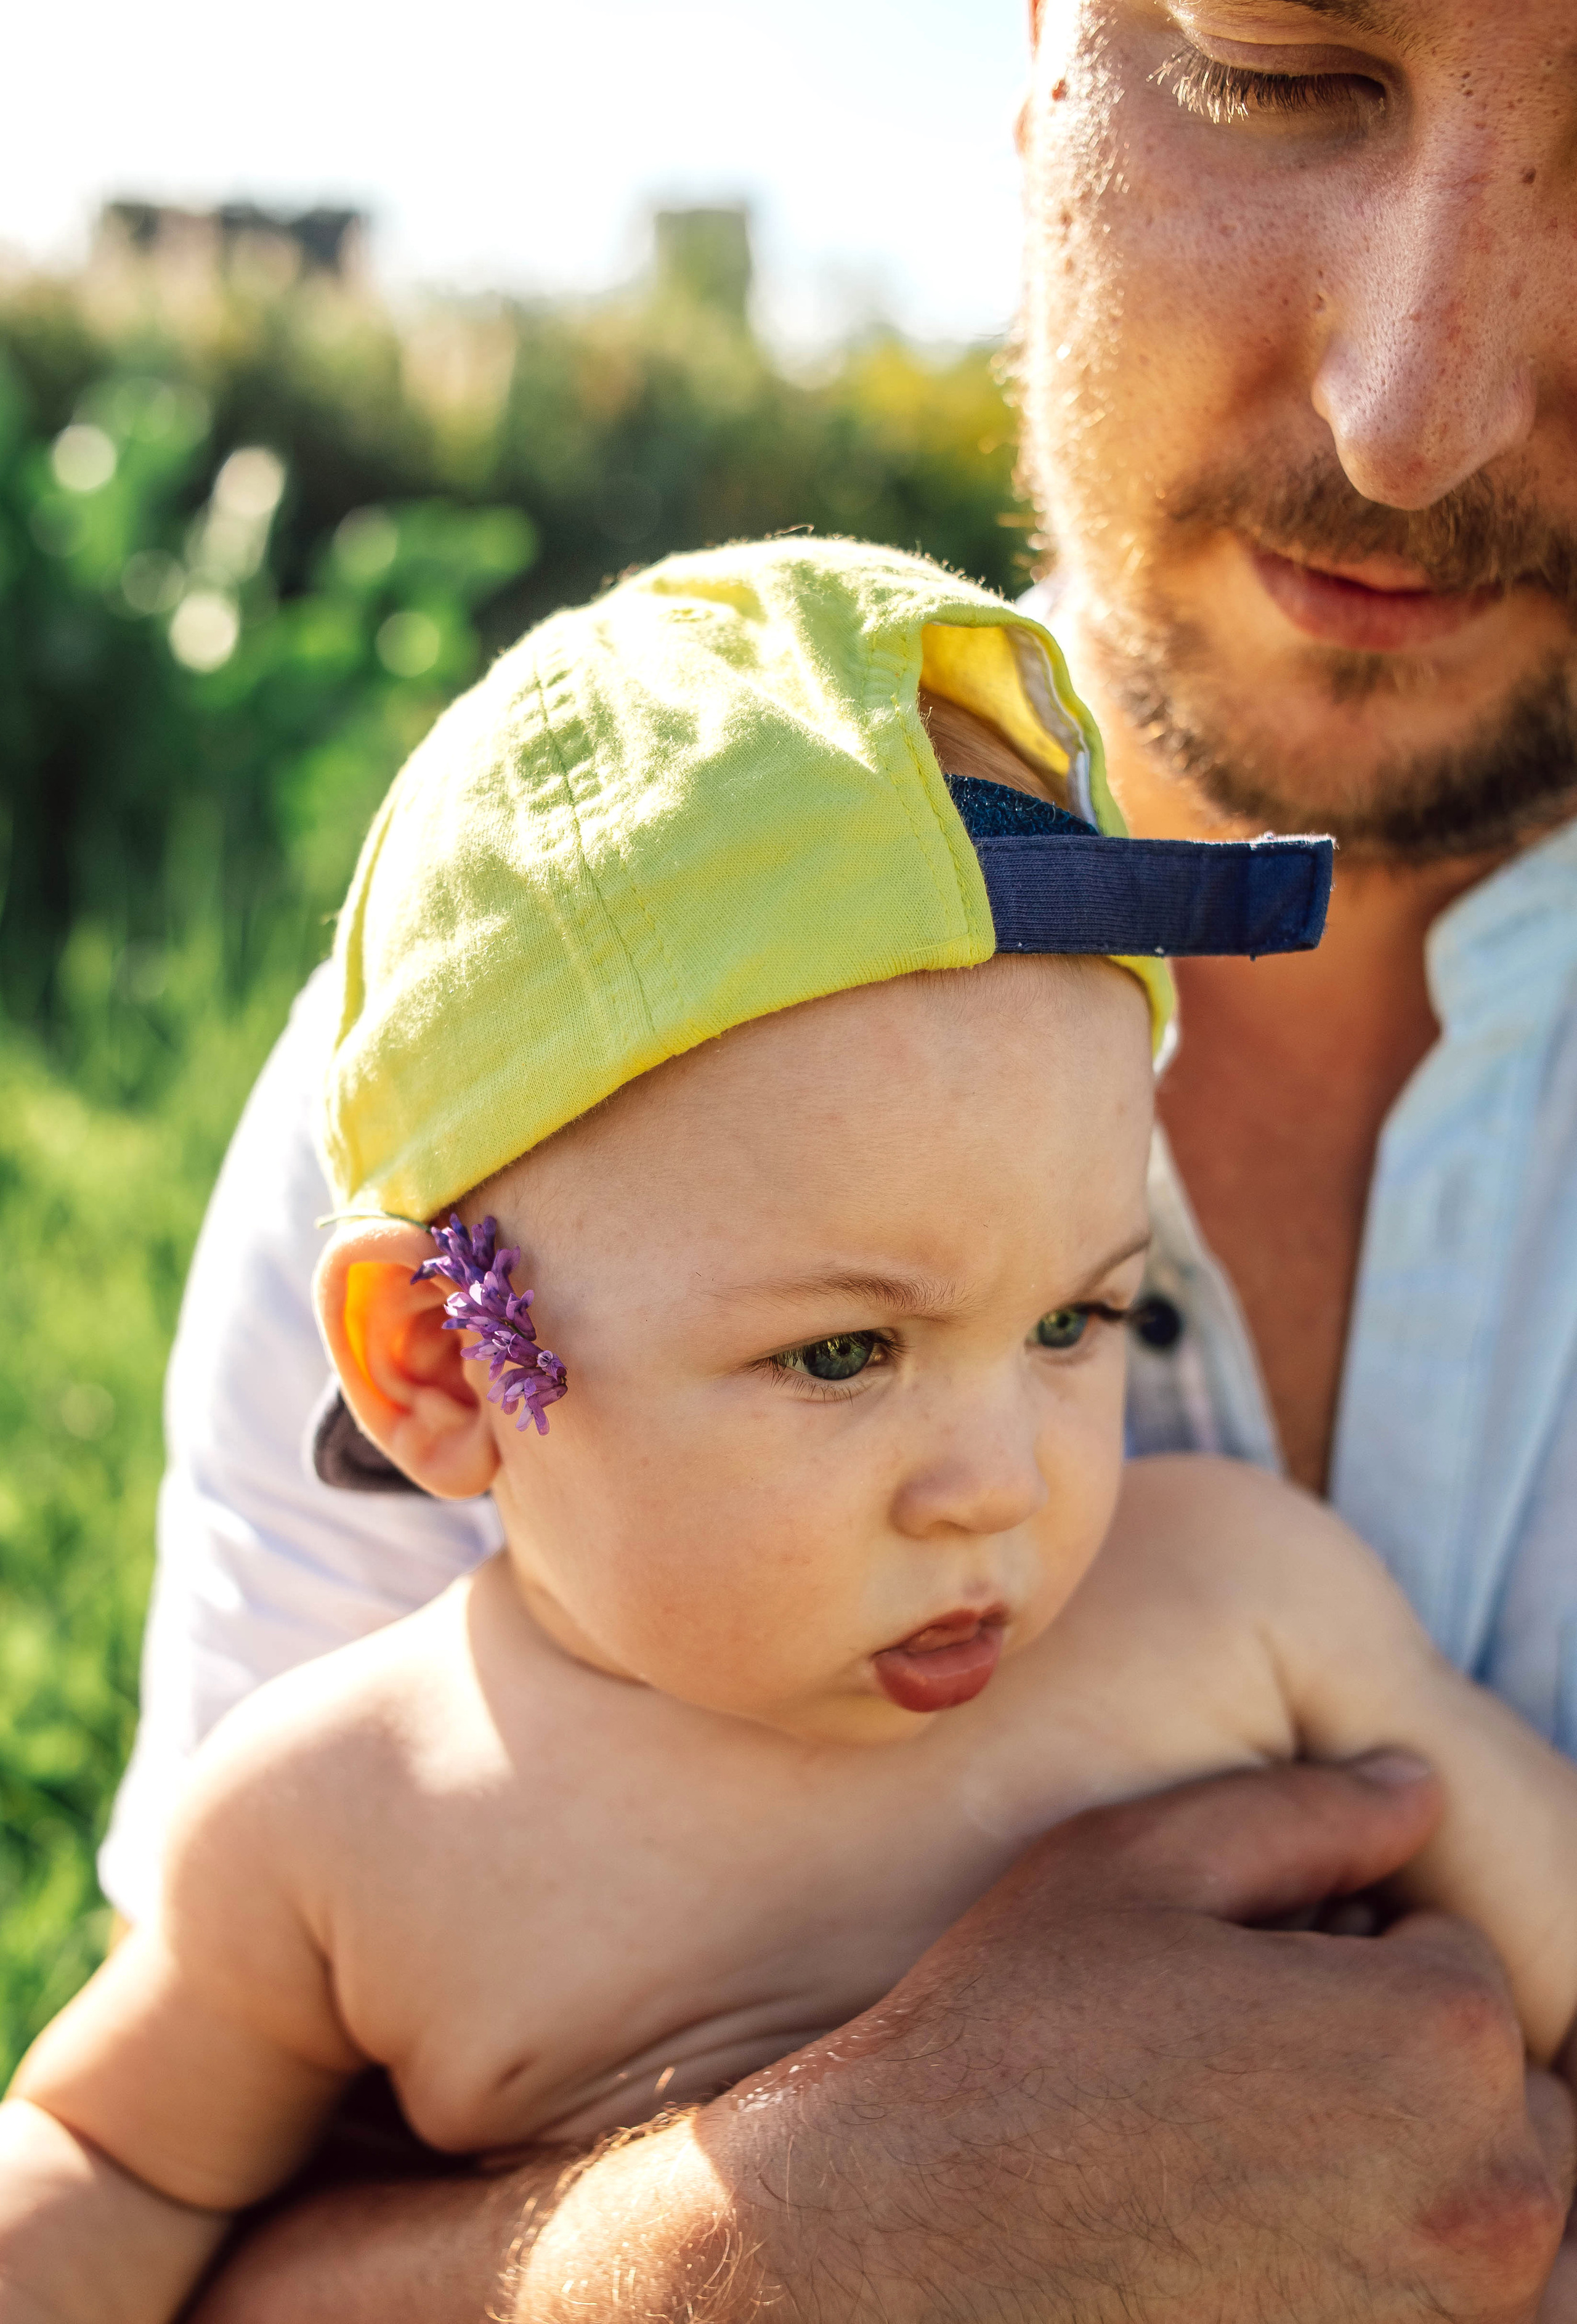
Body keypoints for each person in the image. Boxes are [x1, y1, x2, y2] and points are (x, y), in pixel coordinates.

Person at [101, 0, 1577, 2316]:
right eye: (1286, 70)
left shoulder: (1235, 1606)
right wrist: (774, 2246)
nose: (1417, 416)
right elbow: (121, 2193)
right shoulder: (524, 1063)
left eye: (1092, 1315)